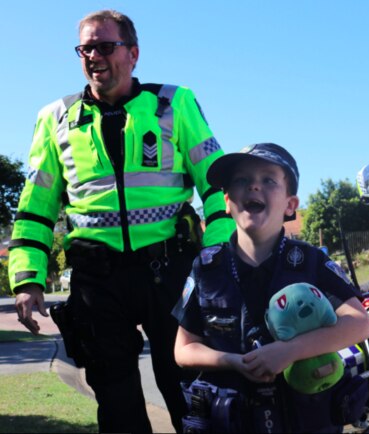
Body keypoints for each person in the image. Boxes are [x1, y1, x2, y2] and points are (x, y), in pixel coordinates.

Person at [8, 10, 235, 433]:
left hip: (170, 272)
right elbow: (36, 204)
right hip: (97, 279)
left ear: (133, 54)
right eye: (85, 48)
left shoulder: (174, 103)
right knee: (116, 403)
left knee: (192, 393)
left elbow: (218, 184)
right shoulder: (54, 118)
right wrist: (27, 277)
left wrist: (218, 253)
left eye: (105, 46)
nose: (94, 55)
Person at [173, 143, 369, 432]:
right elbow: (184, 349)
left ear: (290, 205)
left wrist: (289, 351)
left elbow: (360, 324)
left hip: (303, 419)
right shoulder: (206, 268)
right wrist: (235, 361)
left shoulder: (311, 262)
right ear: (227, 201)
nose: (254, 186)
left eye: (268, 180)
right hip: (234, 420)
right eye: (242, 180)